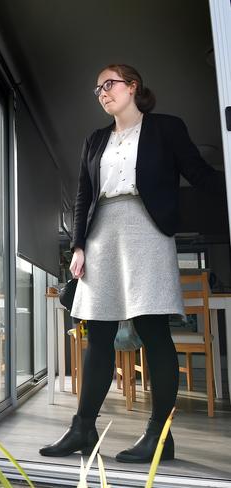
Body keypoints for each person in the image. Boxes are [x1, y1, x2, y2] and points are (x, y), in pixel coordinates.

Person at [39, 64, 224, 463]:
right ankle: (82, 429)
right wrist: (78, 246)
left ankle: (159, 435)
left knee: (153, 329)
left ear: (133, 86)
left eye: (110, 84)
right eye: (98, 89)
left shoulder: (167, 128)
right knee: (99, 332)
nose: (103, 92)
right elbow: (83, 196)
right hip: (102, 233)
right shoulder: (94, 140)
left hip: (147, 229)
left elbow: (198, 173)